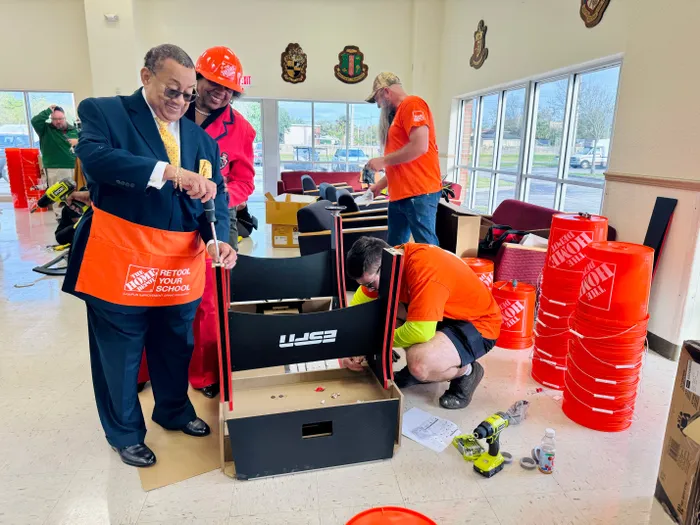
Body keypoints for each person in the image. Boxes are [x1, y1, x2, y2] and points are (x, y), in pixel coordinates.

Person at [63, 43, 237, 468]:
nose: (180, 102)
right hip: (121, 256)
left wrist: (220, 238)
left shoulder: (200, 139)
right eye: (171, 90)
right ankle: (124, 432)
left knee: (175, 341)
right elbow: (98, 161)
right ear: (146, 77)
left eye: (188, 94)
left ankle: (174, 408)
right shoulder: (105, 112)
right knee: (121, 350)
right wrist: (168, 172)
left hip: (178, 264)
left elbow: (218, 198)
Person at [137, 46, 256, 399]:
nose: (221, 93)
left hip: (215, 220)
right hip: (161, 218)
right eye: (214, 84)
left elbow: (245, 182)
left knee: (210, 300)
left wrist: (215, 197)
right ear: (198, 79)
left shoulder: (242, 130)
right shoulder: (168, 112)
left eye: (229, 89)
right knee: (148, 294)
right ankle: (143, 369)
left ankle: (205, 374)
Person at [343, 237, 502, 409]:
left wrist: (372, 343)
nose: (369, 288)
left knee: (420, 364)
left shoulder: (424, 270)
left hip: (477, 324)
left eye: (370, 284)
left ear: (384, 267)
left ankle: (468, 372)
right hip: (442, 314)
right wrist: (350, 346)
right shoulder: (390, 258)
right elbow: (356, 313)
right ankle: (422, 370)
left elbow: (420, 332)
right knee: (381, 313)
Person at [365, 73, 442, 246]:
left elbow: (420, 146)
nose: (378, 105)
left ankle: (433, 274)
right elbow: (401, 164)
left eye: (377, 99)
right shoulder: (399, 114)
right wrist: (380, 185)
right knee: (394, 249)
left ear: (386, 92)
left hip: (419, 192)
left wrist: (383, 161)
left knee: (427, 248)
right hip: (400, 195)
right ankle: (397, 274)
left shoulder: (412, 104)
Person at [31, 105, 79, 218]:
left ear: (65, 117)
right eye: (54, 119)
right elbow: (35, 121)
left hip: (74, 166)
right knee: (58, 192)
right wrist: (48, 110)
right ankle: (60, 216)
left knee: (75, 191)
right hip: (55, 167)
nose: (58, 122)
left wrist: (78, 141)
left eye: (60, 119)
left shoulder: (74, 130)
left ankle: (74, 214)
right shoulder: (45, 129)